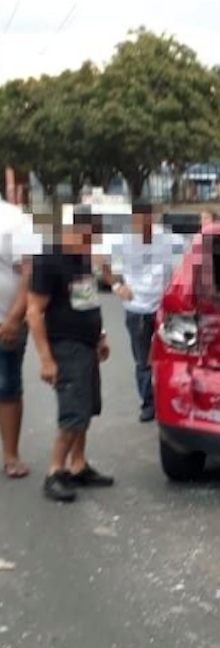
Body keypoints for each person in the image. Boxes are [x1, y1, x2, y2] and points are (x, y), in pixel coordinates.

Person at [27, 205, 114, 503]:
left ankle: (78, 465)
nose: (92, 245)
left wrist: (100, 336)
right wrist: (46, 360)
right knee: (73, 412)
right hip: (65, 346)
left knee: (87, 408)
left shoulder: (80, 257)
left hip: (87, 344)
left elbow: (86, 300)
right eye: (89, 238)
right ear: (73, 231)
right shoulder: (49, 259)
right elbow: (34, 312)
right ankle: (55, 473)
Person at [101, 201, 186, 423]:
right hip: (136, 308)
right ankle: (148, 403)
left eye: (148, 217)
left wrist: (178, 287)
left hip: (164, 309)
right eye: (139, 218)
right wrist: (117, 286)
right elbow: (100, 260)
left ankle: (171, 401)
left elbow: (190, 257)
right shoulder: (123, 241)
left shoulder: (168, 239)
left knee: (172, 356)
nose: (144, 222)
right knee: (143, 360)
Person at [0, 198, 38, 478]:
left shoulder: (16, 220)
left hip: (6, 321)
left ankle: (11, 455)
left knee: (7, 385)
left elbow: (29, 272)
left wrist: (14, 318)